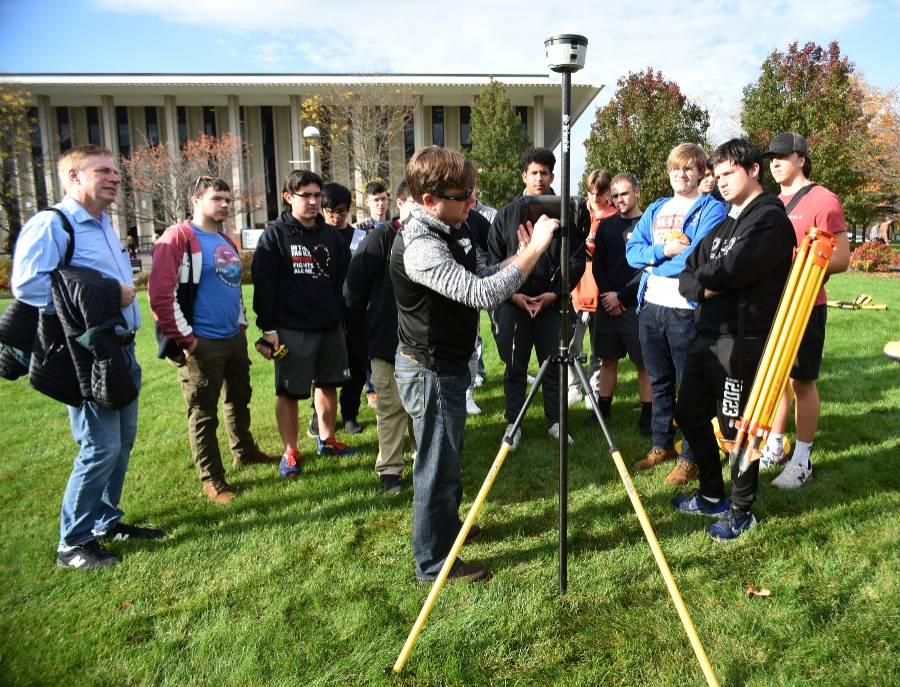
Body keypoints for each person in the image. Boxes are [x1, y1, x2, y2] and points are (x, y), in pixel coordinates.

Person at [391, 145, 559, 583]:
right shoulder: (421, 244)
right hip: (428, 370)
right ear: (429, 200)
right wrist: (535, 250)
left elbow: (486, 275)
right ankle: (433, 562)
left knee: (448, 458)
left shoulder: (455, 227)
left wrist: (522, 256)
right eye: (463, 194)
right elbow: (482, 295)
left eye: (472, 191)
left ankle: (447, 529)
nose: (472, 201)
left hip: (448, 365)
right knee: (435, 464)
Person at [12, 144, 164, 569]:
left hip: (119, 351)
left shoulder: (101, 226)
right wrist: (106, 294)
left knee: (122, 443)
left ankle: (103, 521)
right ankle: (72, 542)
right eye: (103, 171)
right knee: (100, 447)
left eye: (116, 171)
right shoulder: (54, 224)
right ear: (74, 177)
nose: (115, 178)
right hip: (88, 355)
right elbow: (27, 286)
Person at [673, 138, 796, 540]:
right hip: (706, 335)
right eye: (717, 175)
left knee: (737, 426)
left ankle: (742, 510)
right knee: (689, 414)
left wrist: (709, 281)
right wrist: (708, 283)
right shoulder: (725, 222)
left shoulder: (771, 220)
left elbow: (733, 270)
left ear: (753, 170)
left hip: (742, 341)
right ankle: (712, 494)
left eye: (729, 173)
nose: (721, 182)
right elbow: (689, 274)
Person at [149, 176, 275, 505]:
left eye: (228, 200)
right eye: (217, 198)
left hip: (232, 338)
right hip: (201, 342)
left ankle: (244, 452)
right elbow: (160, 296)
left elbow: (232, 286)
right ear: (196, 200)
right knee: (203, 412)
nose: (224, 205)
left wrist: (242, 322)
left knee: (238, 398)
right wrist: (187, 340)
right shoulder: (178, 237)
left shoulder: (225, 240)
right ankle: (212, 477)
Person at [625, 143, 726, 485]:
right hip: (651, 307)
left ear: (700, 173)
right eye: (675, 169)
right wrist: (664, 249)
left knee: (691, 387)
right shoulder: (656, 208)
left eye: (688, 169)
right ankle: (661, 445)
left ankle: (690, 458)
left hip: (686, 310)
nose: (681, 175)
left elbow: (696, 258)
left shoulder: (711, 209)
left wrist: (654, 262)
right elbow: (632, 254)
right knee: (659, 380)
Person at [759, 132, 851, 488]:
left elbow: (841, 257)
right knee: (774, 376)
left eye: (782, 156)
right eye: (771, 158)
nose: (775, 163)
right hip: (770, 305)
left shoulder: (823, 199)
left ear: (801, 158)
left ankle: (802, 458)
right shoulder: (769, 202)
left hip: (806, 305)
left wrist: (801, 272)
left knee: (801, 381)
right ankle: (775, 445)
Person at [251, 170, 355, 480]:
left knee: (328, 385)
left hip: (330, 327)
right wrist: (268, 328)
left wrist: (338, 312)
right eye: (305, 195)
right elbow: (264, 285)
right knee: (289, 393)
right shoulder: (275, 235)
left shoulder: (332, 236)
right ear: (288, 197)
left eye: (316, 195)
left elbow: (342, 281)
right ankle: (291, 451)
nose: (312, 201)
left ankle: (327, 440)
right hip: (291, 330)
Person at [488, 147, 585, 448]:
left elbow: (576, 260)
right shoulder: (505, 216)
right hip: (513, 303)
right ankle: (513, 423)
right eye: (534, 172)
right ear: (524, 175)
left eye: (545, 173)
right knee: (514, 366)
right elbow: (493, 262)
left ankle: (555, 421)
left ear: (552, 176)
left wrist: (554, 296)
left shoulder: (568, 212)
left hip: (551, 303)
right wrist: (513, 295)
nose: (539, 178)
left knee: (554, 364)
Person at [344, 182, 417, 495]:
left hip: (422, 344)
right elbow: (352, 292)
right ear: (400, 203)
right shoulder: (380, 238)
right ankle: (390, 470)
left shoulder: (434, 238)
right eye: (416, 202)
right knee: (390, 408)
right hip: (386, 342)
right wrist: (368, 330)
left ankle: (424, 458)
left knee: (422, 408)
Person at [592, 173, 653, 436]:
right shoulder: (606, 226)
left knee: (643, 364)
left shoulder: (649, 225)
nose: (619, 200)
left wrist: (622, 297)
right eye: (614, 196)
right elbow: (598, 265)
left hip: (635, 305)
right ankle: (603, 410)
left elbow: (649, 267)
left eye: (624, 194)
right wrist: (608, 296)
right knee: (607, 360)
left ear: (637, 192)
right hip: (608, 306)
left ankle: (648, 414)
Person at [314, 182, 368, 436]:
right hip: (326, 312)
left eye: (342, 211)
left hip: (356, 313)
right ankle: (320, 415)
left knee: (357, 366)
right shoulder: (316, 238)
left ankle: (349, 415)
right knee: (324, 368)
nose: (336, 217)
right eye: (330, 211)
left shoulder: (361, 238)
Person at [568, 169, 617, 408]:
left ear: (608, 193)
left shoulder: (614, 216)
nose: (594, 198)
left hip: (601, 290)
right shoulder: (577, 211)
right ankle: (574, 387)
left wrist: (593, 247)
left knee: (599, 347)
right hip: (577, 288)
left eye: (599, 194)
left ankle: (593, 390)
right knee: (570, 344)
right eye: (590, 192)